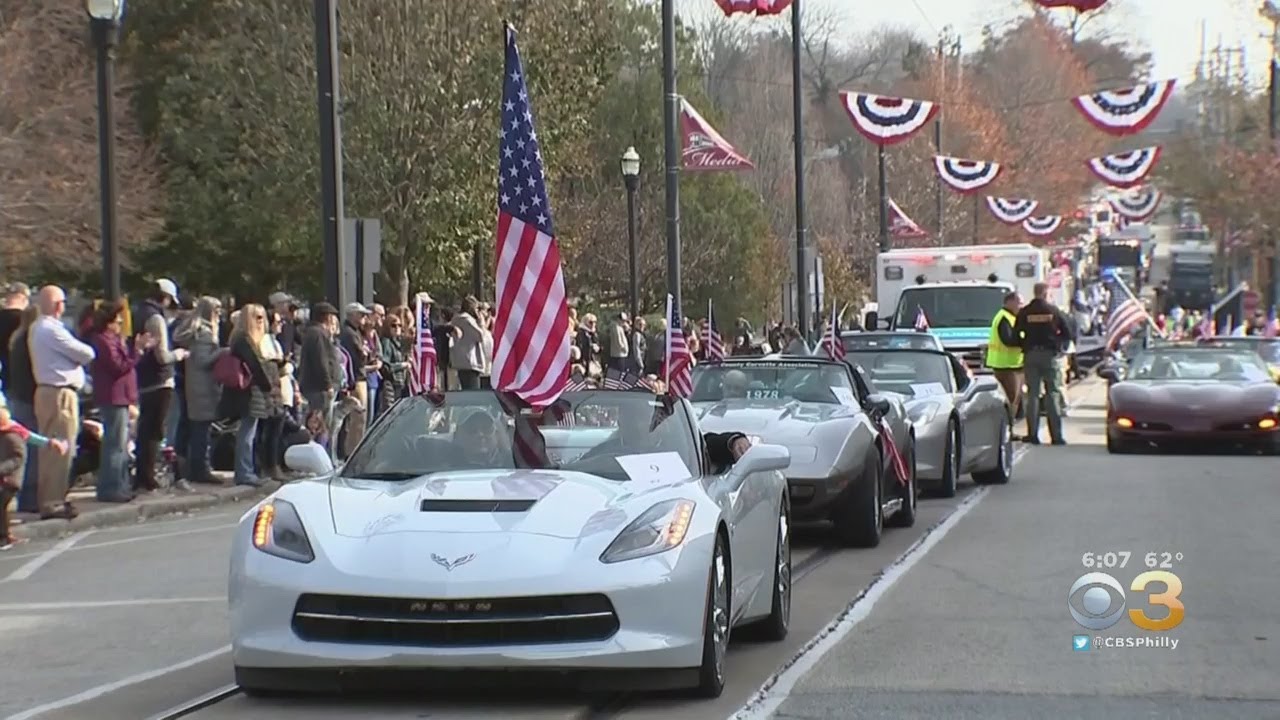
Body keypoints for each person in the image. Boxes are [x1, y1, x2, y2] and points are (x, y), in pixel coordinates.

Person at [28, 285, 95, 519]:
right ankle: (53, 501)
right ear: (58, 305)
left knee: (51, 449)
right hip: (59, 394)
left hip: (49, 392)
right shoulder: (51, 329)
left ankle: (50, 498)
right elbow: (86, 353)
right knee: (60, 449)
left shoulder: (37, 327)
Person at [1, 398, 69, 550]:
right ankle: (4, 535)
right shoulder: (12, 430)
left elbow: (27, 440)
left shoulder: (13, 432)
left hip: (8, 478)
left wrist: (50, 443)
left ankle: (4, 536)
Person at [219, 304, 274, 486]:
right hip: (248, 392)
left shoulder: (251, 339)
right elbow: (254, 365)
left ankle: (248, 470)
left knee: (249, 432)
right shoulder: (243, 339)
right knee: (247, 434)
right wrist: (268, 385)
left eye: (262, 317)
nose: (261, 321)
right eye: (257, 317)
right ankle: (244, 472)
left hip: (252, 392)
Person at [1012, 282, 1073, 445]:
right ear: (1046, 293)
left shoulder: (1025, 312)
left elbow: (1016, 333)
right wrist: (1059, 347)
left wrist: (1024, 346)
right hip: (1050, 356)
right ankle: (1056, 436)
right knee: (1052, 393)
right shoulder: (1053, 311)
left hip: (1031, 355)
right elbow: (1068, 332)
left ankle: (1032, 434)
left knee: (1032, 395)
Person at [985, 292, 1024, 420]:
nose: (1021, 306)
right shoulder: (1004, 318)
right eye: (1019, 302)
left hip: (1011, 365)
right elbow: (1008, 340)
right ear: (1009, 302)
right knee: (1011, 399)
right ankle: (1009, 430)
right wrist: (1024, 342)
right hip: (1006, 366)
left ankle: (1010, 428)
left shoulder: (1010, 317)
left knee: (1014, 399)